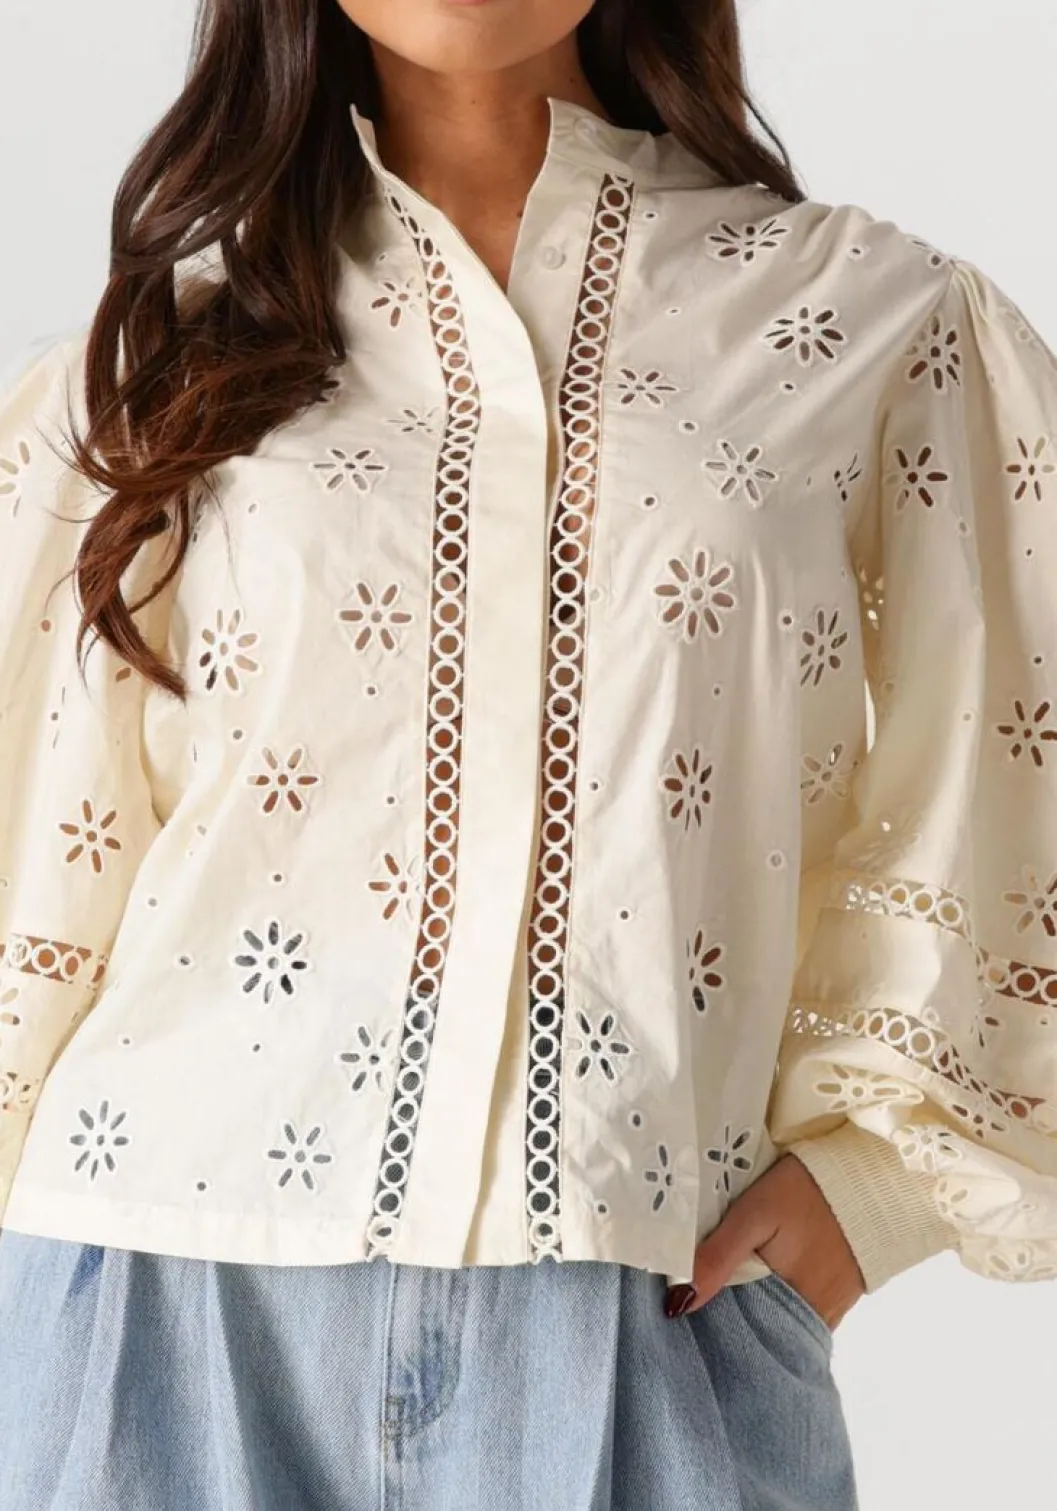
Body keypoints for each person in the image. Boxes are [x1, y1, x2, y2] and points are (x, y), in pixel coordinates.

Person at [0, 1, 1055, 1507]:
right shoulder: (162, 357)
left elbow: (1015, 758)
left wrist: (873, 1190)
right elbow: (41, 841)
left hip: (648, 1309)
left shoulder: (867, 322)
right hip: (163, 1301)